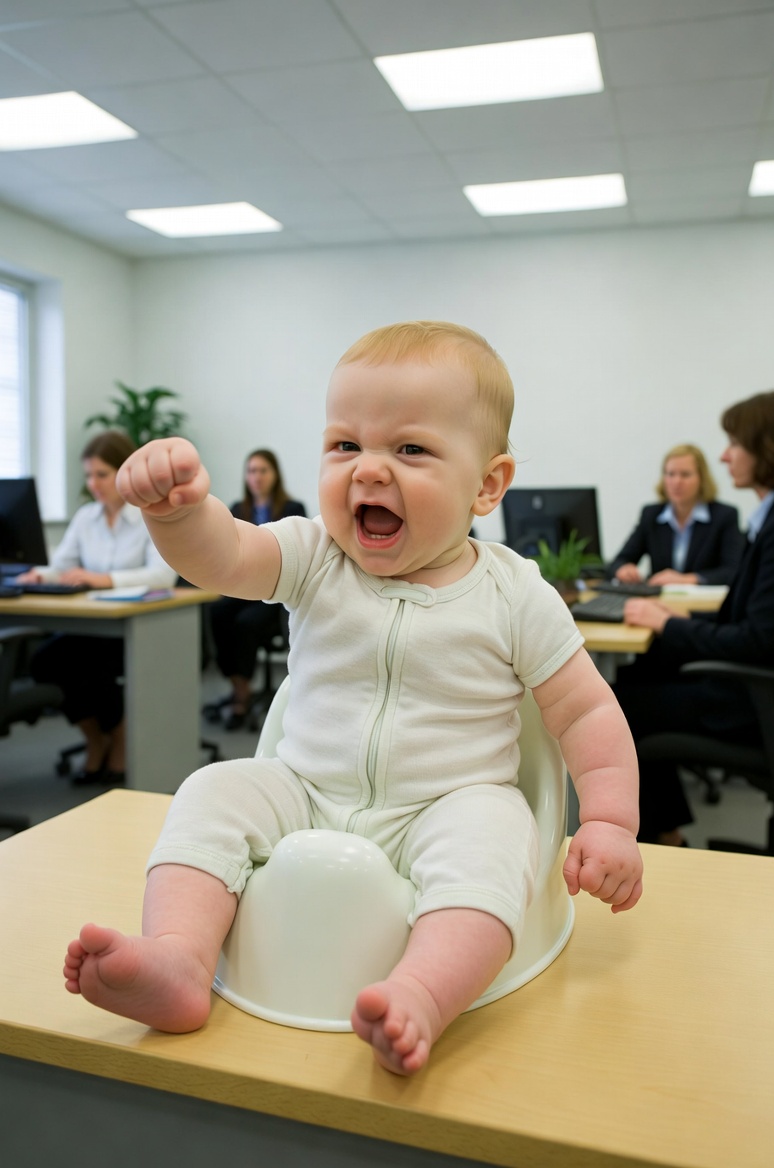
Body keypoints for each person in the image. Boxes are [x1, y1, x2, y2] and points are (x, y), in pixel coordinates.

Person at [63, 321, 643, 1076]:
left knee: (497, 839)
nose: (368, 469)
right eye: (345, 444)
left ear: (487, 485)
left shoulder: (513, 594)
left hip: (448, 803)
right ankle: (179, 958)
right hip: (305, 788)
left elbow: (586, 711)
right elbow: (224, 556)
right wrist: (176, 515)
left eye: (411, 449)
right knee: (212, 791)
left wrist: (609, 821)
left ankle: (421, 994)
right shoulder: (316, 556)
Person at [613, 390, 774, 846]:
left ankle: (663, 838)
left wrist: (669, 624)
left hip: (754, 698)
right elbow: (757, 621)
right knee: (634, 675)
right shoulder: (770, 518)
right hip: (750, 680)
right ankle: (667, 832)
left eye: (736, 444)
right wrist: (678, 618)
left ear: (768, 448)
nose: (726, 456)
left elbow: (756, 639)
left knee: (615, 707)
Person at [17, 430, 177, 784]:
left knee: (92, 667)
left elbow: (162, 575)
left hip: (137, 627)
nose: (93, 484)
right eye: (88, 475)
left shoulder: (149, 516)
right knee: (46, 661)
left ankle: (119, 737)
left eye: (102, 474)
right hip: (94, 624)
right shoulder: (86, 517)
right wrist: (39, 575)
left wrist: (103, 579)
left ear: (124, 473)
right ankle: (97, 738)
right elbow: (62, 566)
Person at [209, 449, 305, 728]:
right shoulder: (238, 510)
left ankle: (242, 695)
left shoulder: (292, 508)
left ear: (275, 475)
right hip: (244, 588)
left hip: (275, 592)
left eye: (263, 470)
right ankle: (239, 685)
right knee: (217, 613)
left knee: (245, 624)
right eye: (252, 471)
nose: (257, 477)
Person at [607, 443, 744, 586]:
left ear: (701, 478)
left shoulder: (724, 516)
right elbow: (618, 561)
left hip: (704, 599)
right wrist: (623, 569)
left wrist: (687, 579)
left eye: (685, 475)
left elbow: (733, 571)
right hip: (658, 597)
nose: (676, 482)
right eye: (670, 474)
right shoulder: (651, 515)